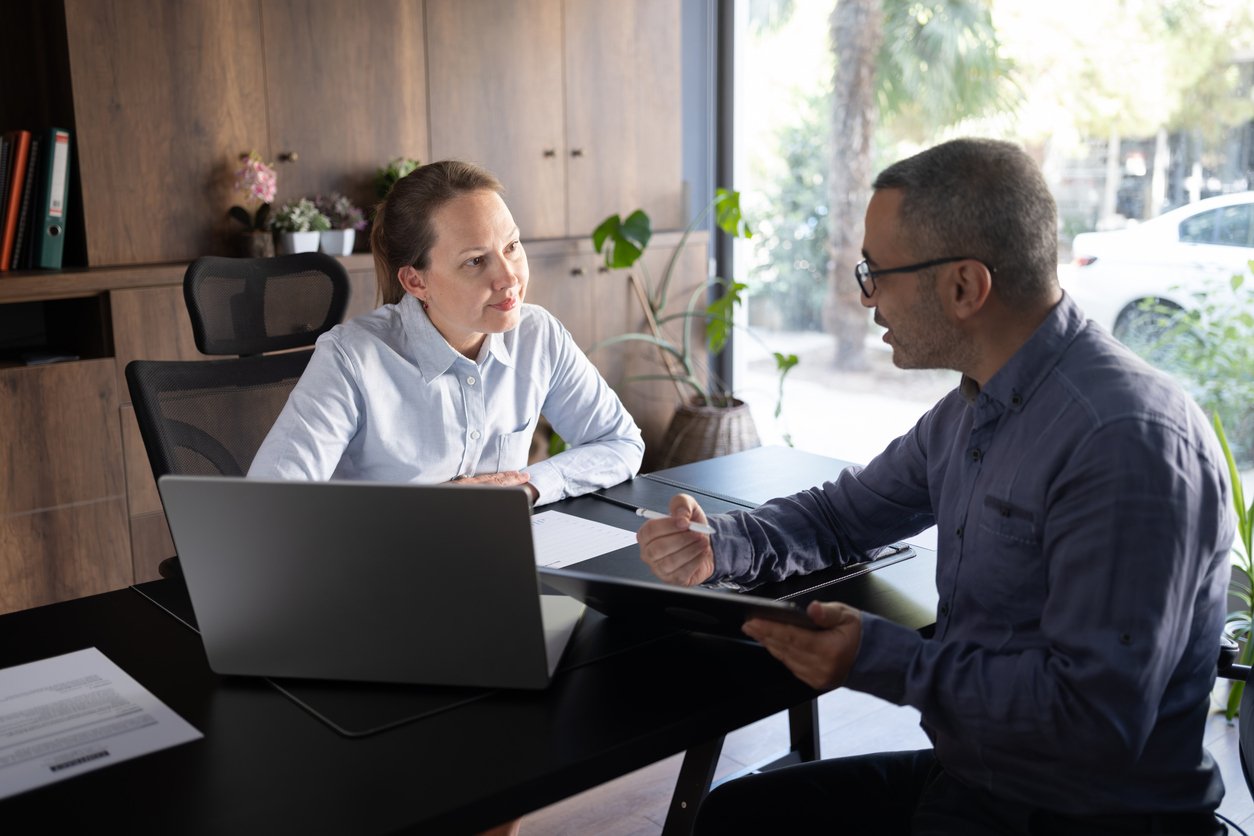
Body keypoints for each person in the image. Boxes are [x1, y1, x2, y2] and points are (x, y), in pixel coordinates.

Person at [637, 138, 1236, 835]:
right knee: (735, 817)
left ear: (963, 287)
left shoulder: (1124, 442)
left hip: (1086, 815)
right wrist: (718, 544)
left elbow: (1093, 722)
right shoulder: (971, 410)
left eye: (875, 273)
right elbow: (842, 516)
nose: (865, 298)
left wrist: (880, 658)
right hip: (984, 778)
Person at [248, 160, 644, 505]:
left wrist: (527, 487)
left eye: (512, 246)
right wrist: (434, 508)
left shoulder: (537, 335)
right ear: (416, 281)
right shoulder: (351, 358)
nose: (509, 278)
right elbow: (269, 504)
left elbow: (620, 442)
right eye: (475, 261)